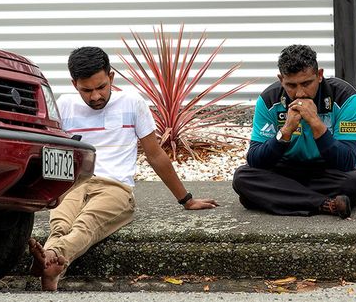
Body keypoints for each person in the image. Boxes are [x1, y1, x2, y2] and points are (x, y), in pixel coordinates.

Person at [29, 46, 217, 290]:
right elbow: (51, 152)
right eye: (87, 90)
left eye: (101, 87)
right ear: (74, 84)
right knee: (61, 223)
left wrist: (186, 200)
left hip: (114, 187)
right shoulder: (64, 105)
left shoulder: (132, 102)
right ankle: (52, 267)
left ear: (111, 77)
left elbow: (155, 154)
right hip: (74, 184)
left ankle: (53, 255)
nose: (95, 96)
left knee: (87, 222)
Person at [232, 44, 356, 218]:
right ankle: (325, 204)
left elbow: (347, 161)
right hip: (287, 169)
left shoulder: (346, 98)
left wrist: (316, 124)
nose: (299, 93)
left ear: (319, 75)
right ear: (281, 79)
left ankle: (275, 197)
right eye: (291, 85)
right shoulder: (268, 100)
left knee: (354, 182)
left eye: (306, 83)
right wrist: (286, 131)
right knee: (242, 177)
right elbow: (255, 159)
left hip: (329, 171)